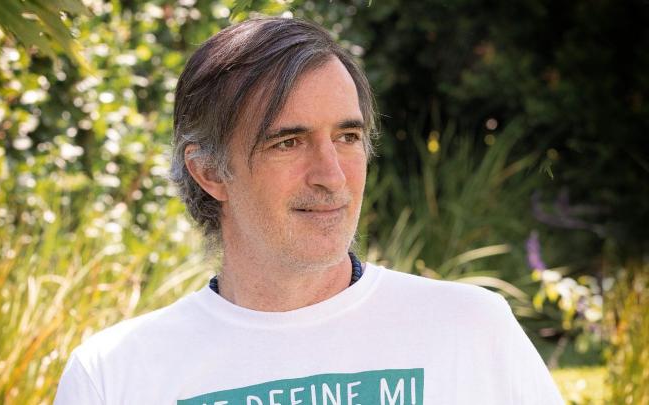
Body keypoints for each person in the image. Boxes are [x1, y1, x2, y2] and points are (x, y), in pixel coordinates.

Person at [54, 17, 564, 405]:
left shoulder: (470, 329)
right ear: (208, 171)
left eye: (347, 137)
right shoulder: (115, 376)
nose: (332, 176)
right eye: (288, 142)